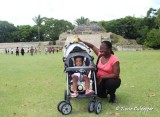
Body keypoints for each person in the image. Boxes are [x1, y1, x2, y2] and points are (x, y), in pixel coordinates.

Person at [78, 38, 121, 103]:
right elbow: (92, 46)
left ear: (109, 49)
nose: (101, 50)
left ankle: (112, 95)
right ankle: (105, 92)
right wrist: (81, 42)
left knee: (110, 84)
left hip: (111, 79)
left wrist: (102, 77)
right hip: (99, 80)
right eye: (100, 48)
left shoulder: (114, 60)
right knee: (101, 95)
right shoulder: (100, 54)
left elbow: (116, 74)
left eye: (103, 48)